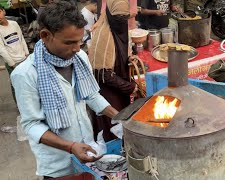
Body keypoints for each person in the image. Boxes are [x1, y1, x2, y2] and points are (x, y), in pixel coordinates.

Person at [10, 1, 118, 178]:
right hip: (57, 165)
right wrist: (70, 146)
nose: (77, 48)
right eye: (69, 43)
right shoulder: (26, 74)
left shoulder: (80, 58)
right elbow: (31, 125)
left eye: (80, 41)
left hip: (87, 151)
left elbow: (90, 95)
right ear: (45, 35)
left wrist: (121, 118)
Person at [90, 0, 138, 141]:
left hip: (120, 90)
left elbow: (120, 53)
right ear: (110, 15)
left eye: (124, 17)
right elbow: (103, 73)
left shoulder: (121, 30)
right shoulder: (102, 35)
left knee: (122, 125)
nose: (121, 21)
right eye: (118, 17)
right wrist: (130, 87)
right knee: (111, 131)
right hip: (107, 94)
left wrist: (128, 59)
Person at [0, 5, 29, 103]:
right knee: (16, 85)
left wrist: (27, 53)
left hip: (23, 58)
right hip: (13, 62)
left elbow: (21, 38)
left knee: (28, 82)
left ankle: (29, 103)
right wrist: (12, 63)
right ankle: (20, 106)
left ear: (3, 11)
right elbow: (2, 49)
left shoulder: (14, 24)